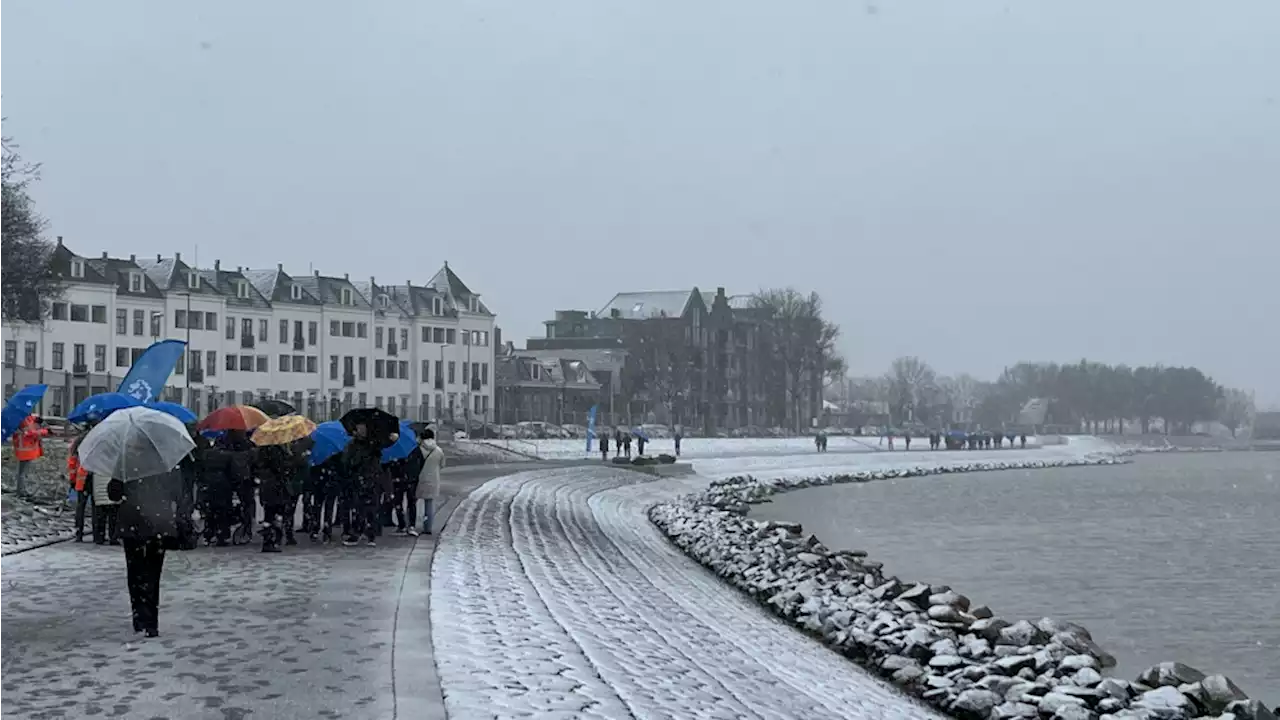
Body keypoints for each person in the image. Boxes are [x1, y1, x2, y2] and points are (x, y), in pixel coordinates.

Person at [110, 469, 183, 638]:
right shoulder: (165, 465)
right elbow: (177, 493)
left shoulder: (124, 465)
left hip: (131, 524)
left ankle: (139, 620)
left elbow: (113, 494)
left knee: (134, 573)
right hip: (157, 523)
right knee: (153, 574)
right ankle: (151, 623)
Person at [416, 429, 445, 535]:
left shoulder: (419, 449)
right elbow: (442, 465)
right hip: (433, 480)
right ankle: (427, 527)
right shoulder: (438, 450)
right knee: (429, 504)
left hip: (419, 479)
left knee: (412, 502)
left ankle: (410, 525)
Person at [11, 415, 48, 496]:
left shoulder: (28, 420)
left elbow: (43, 430)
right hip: (26, 452)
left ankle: (21, 490)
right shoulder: (26, 421)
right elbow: (30, 433)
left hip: (27, 451)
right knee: (22, 473)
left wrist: (31, 432)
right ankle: (21, 491)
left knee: (23, 473)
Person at [67, 433, 92, 542]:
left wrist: (72, 480)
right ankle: (97, 534)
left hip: (81, 481)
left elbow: (72, 465)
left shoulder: (77, 448)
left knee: (80, 507)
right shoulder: (95, 444)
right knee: (97, 508)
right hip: (93, 479)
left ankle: (79, 532)